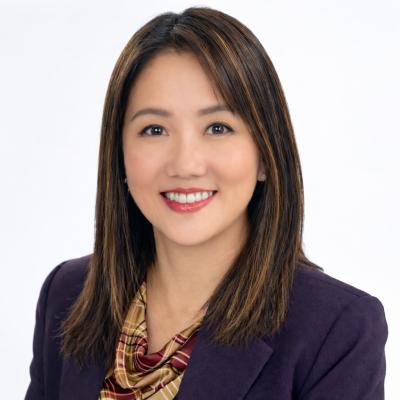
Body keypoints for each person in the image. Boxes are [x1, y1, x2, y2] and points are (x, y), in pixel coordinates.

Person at [25, 6, 388, 400]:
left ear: (266, 154)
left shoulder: (337, 330)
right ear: (119, 154)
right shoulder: (68, 293)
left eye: (218, 127)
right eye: (154, 129)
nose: (185, 164)